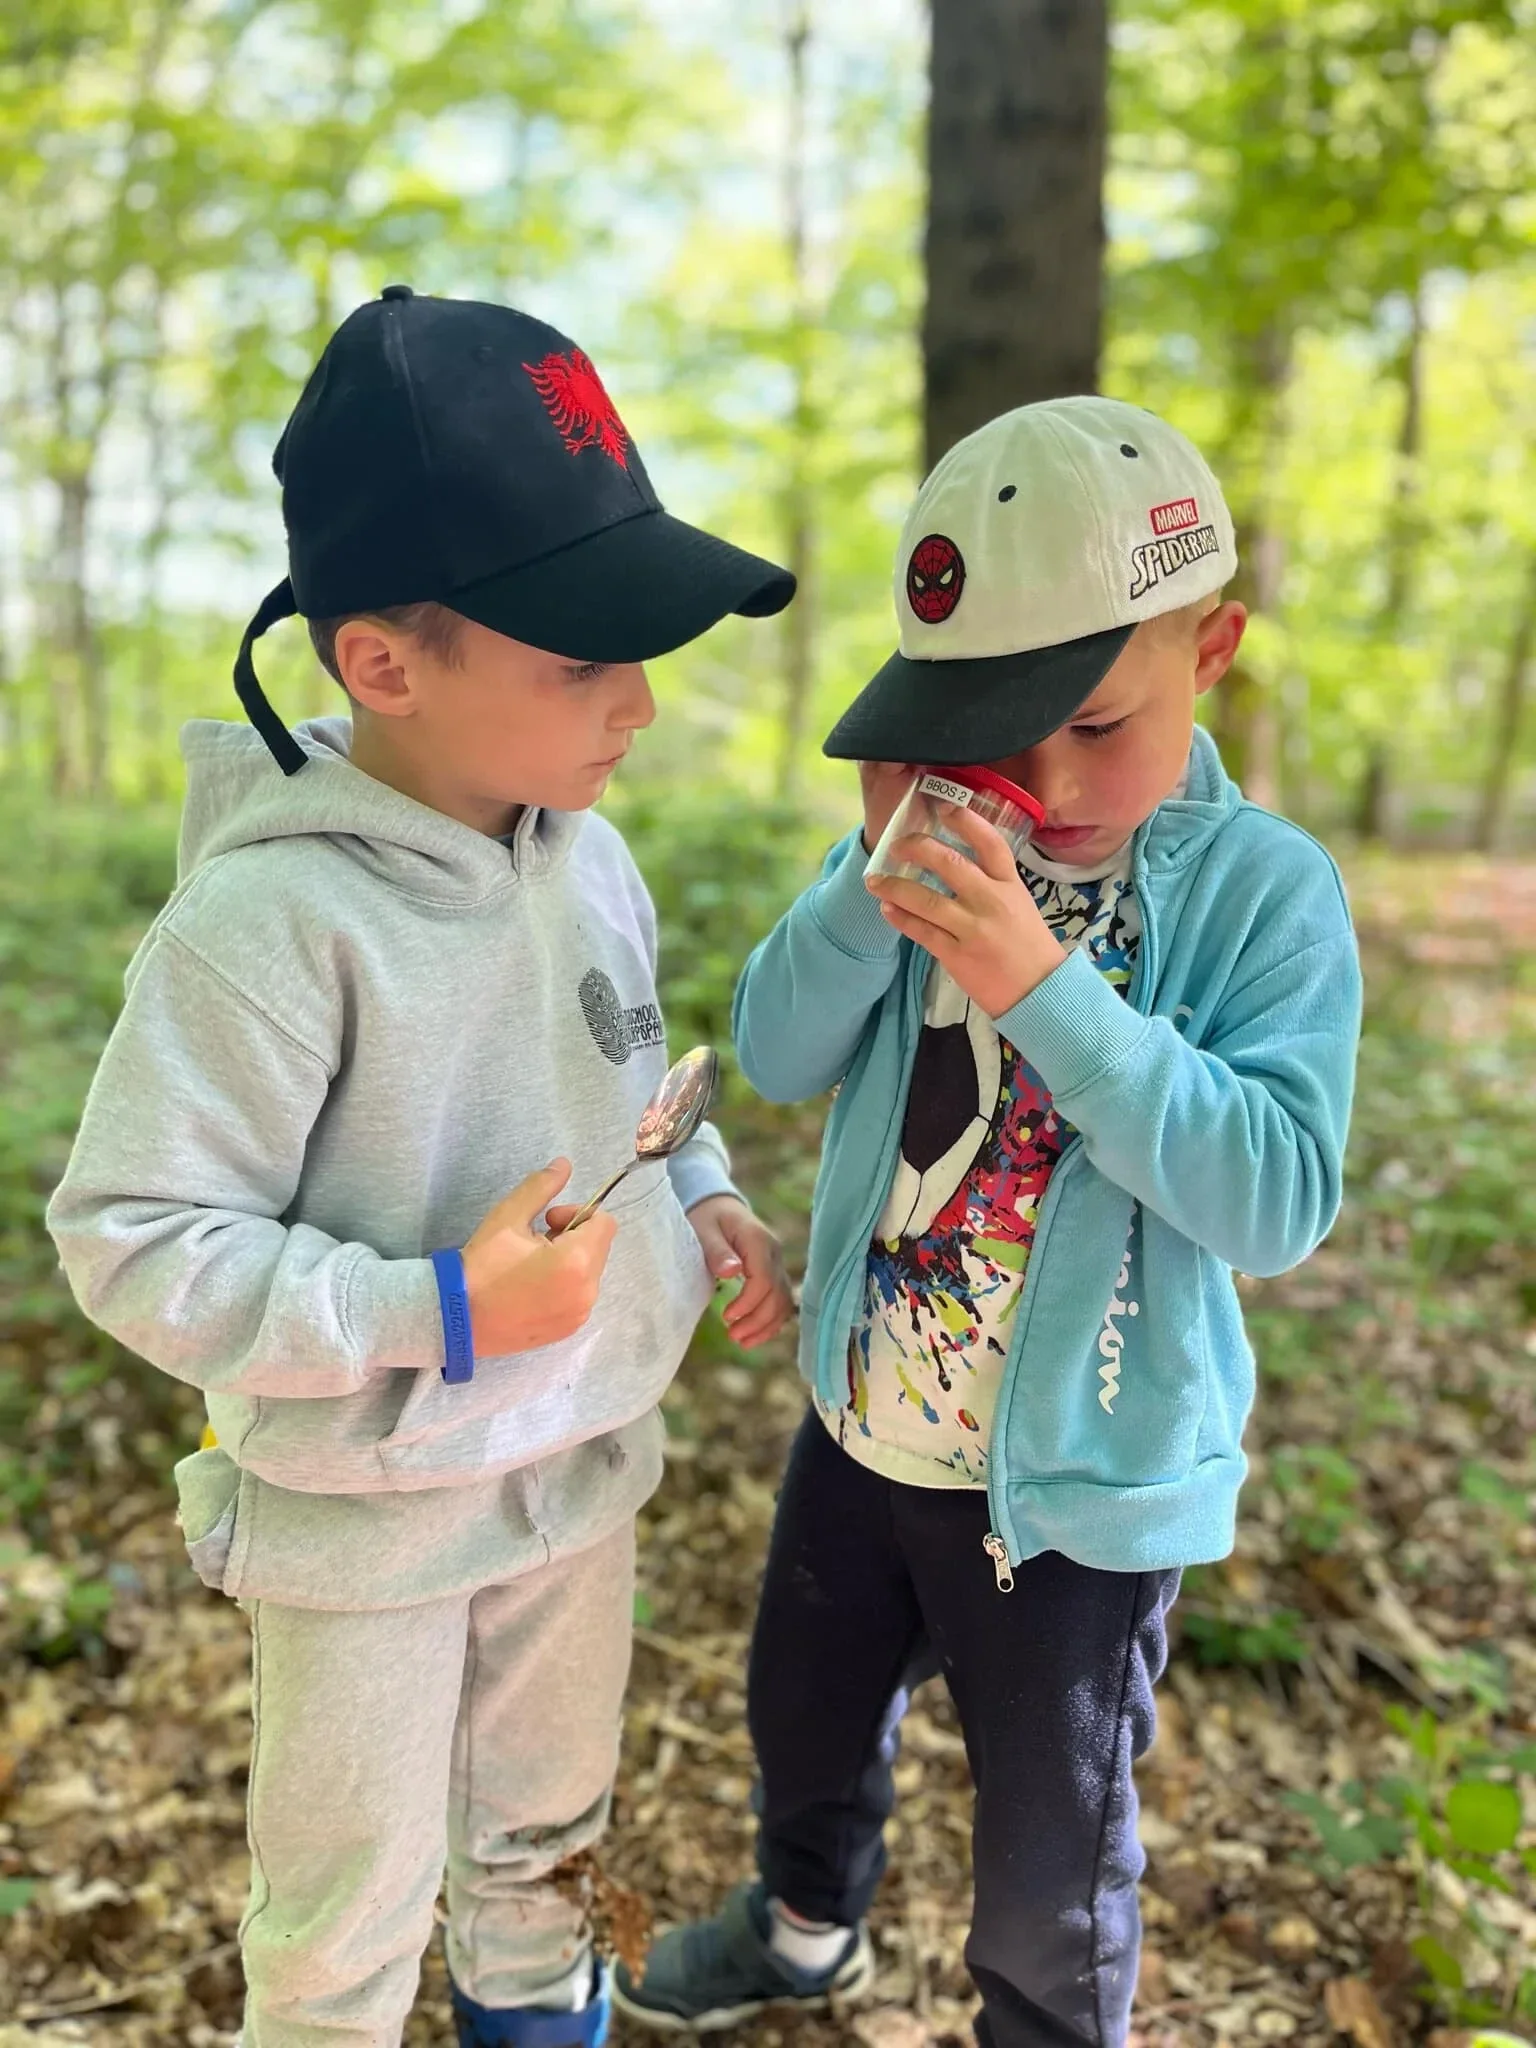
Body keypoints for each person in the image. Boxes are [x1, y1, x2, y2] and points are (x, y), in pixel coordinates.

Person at [45, 286, 796, 2048]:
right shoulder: (272, 923)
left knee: (545, 1853)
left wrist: (702, 1197)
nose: (641, 703)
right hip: (368, 1523)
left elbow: (637, 1081)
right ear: (382, 664)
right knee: (346, 1917)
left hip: (577, 1473)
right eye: (583, 660)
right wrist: (438, 1308)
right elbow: (133, 1238)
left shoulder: (586, 857)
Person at [613, 397, 1362, 2048]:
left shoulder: (1262, 891)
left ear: (1211, 648)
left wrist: (1048, 991)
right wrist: (861, 883)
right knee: (804, 1713)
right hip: (864, 1423)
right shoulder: (936, 844)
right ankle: (804, 1931)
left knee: (1049, 1850)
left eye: (1095, 720)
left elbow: (1276, 1196)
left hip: (1079, 1487)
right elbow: (781, 1054)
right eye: (1000, 730)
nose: (1046, 779)